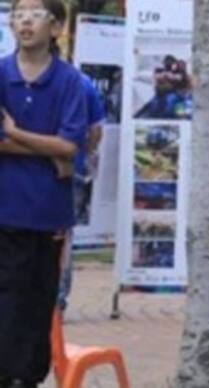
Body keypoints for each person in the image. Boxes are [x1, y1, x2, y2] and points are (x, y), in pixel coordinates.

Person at [0, 0, 87, 388]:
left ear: (56, 27)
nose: (25, 22)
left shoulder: (70, 82)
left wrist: (16, 134)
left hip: (48, 214)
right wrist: (48, 151)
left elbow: (71, 144)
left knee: (39, 304)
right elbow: (59, 149)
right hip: (5, 210)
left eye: (35, 14)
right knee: (7, 300)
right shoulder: (1, 74)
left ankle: (27, 379)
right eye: (18, 15)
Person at [57, 71, 105, 309]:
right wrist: (84, 153)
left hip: (51, 170)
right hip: (71, 170)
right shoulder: (82, 81)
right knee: (63, 236)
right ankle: (58, 301)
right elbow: (96, 131)